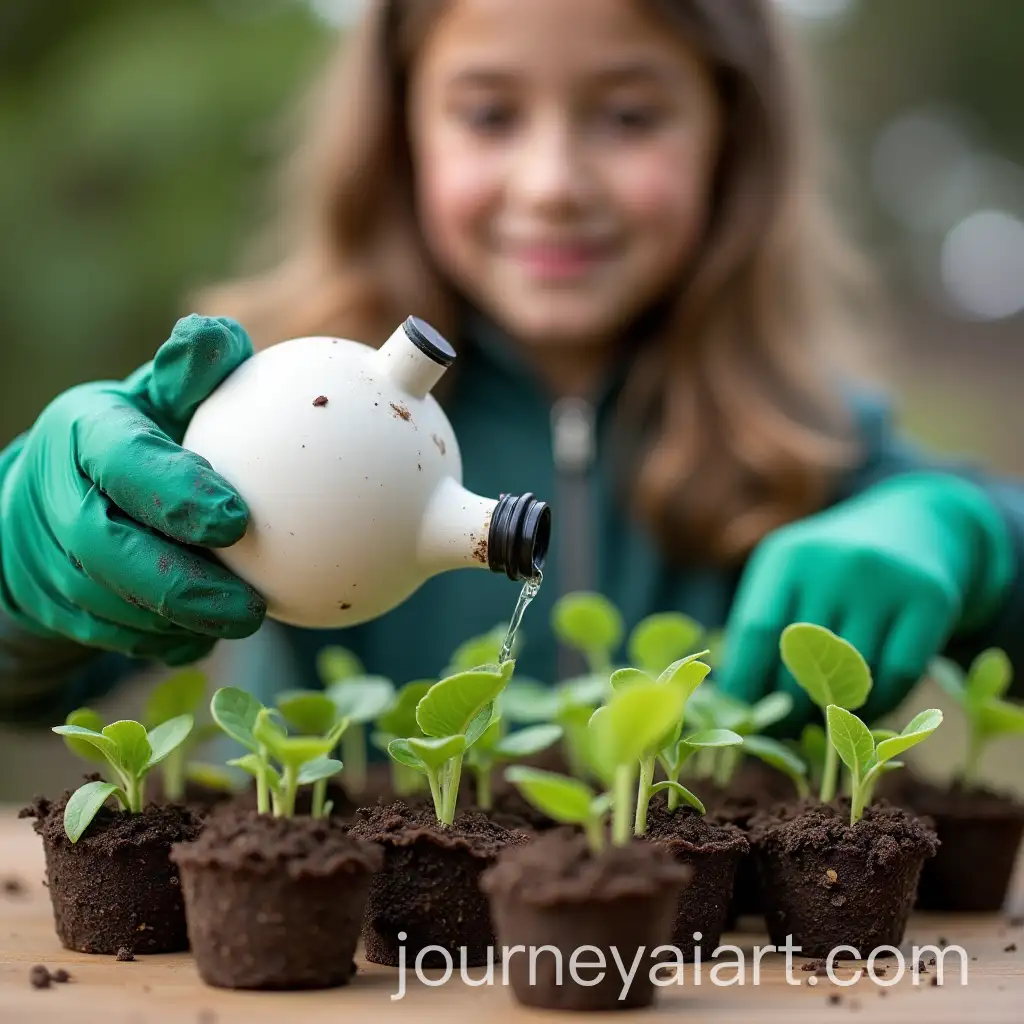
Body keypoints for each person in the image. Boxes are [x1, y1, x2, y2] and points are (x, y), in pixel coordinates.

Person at [2, 0, 1022, 739]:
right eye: (489, 115)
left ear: (730, 139)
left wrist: (958, 531)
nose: (552, 184)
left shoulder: (808, 440)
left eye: (628, 116)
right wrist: (26, 556)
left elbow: (984, 563)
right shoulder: (268, 415)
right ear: (400, 136)